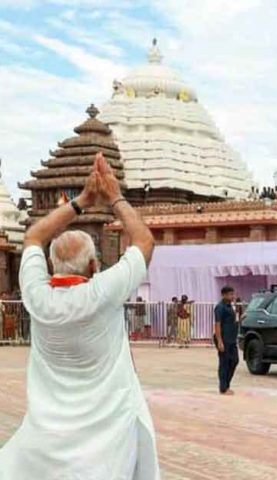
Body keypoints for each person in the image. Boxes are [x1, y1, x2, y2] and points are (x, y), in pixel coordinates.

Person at [0, 152, 160, 478]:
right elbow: (143, 240)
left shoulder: (36, 296)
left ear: (49, 265)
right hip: (104, 445)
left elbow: (33, 236)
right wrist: (114, 196)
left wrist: (81, 201)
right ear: (93, 266)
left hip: (46, 438)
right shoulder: (103, 292)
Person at [214, 286, 240, 395]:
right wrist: (219, 341)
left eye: (233, 294)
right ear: (223, 295)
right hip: (224, 339)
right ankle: (223, 388)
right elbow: (218, 324)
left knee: (234, 361)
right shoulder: (220, 307)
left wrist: (240, 319)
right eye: (230, 294)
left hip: (232, 339)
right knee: (224, 363)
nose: (232, 296)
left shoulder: (230, 307)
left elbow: (231, 322)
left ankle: (227, 384)